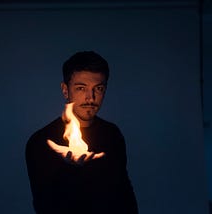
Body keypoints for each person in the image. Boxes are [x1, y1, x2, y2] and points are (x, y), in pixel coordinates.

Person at [25, 51, 138, 214]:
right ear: (65, 90)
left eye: (98, 88)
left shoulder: (112, 134)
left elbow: (125, 194)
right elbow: (45, 206)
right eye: (81, 88)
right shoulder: (41, 142)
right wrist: (72, 170)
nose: (90, 97)